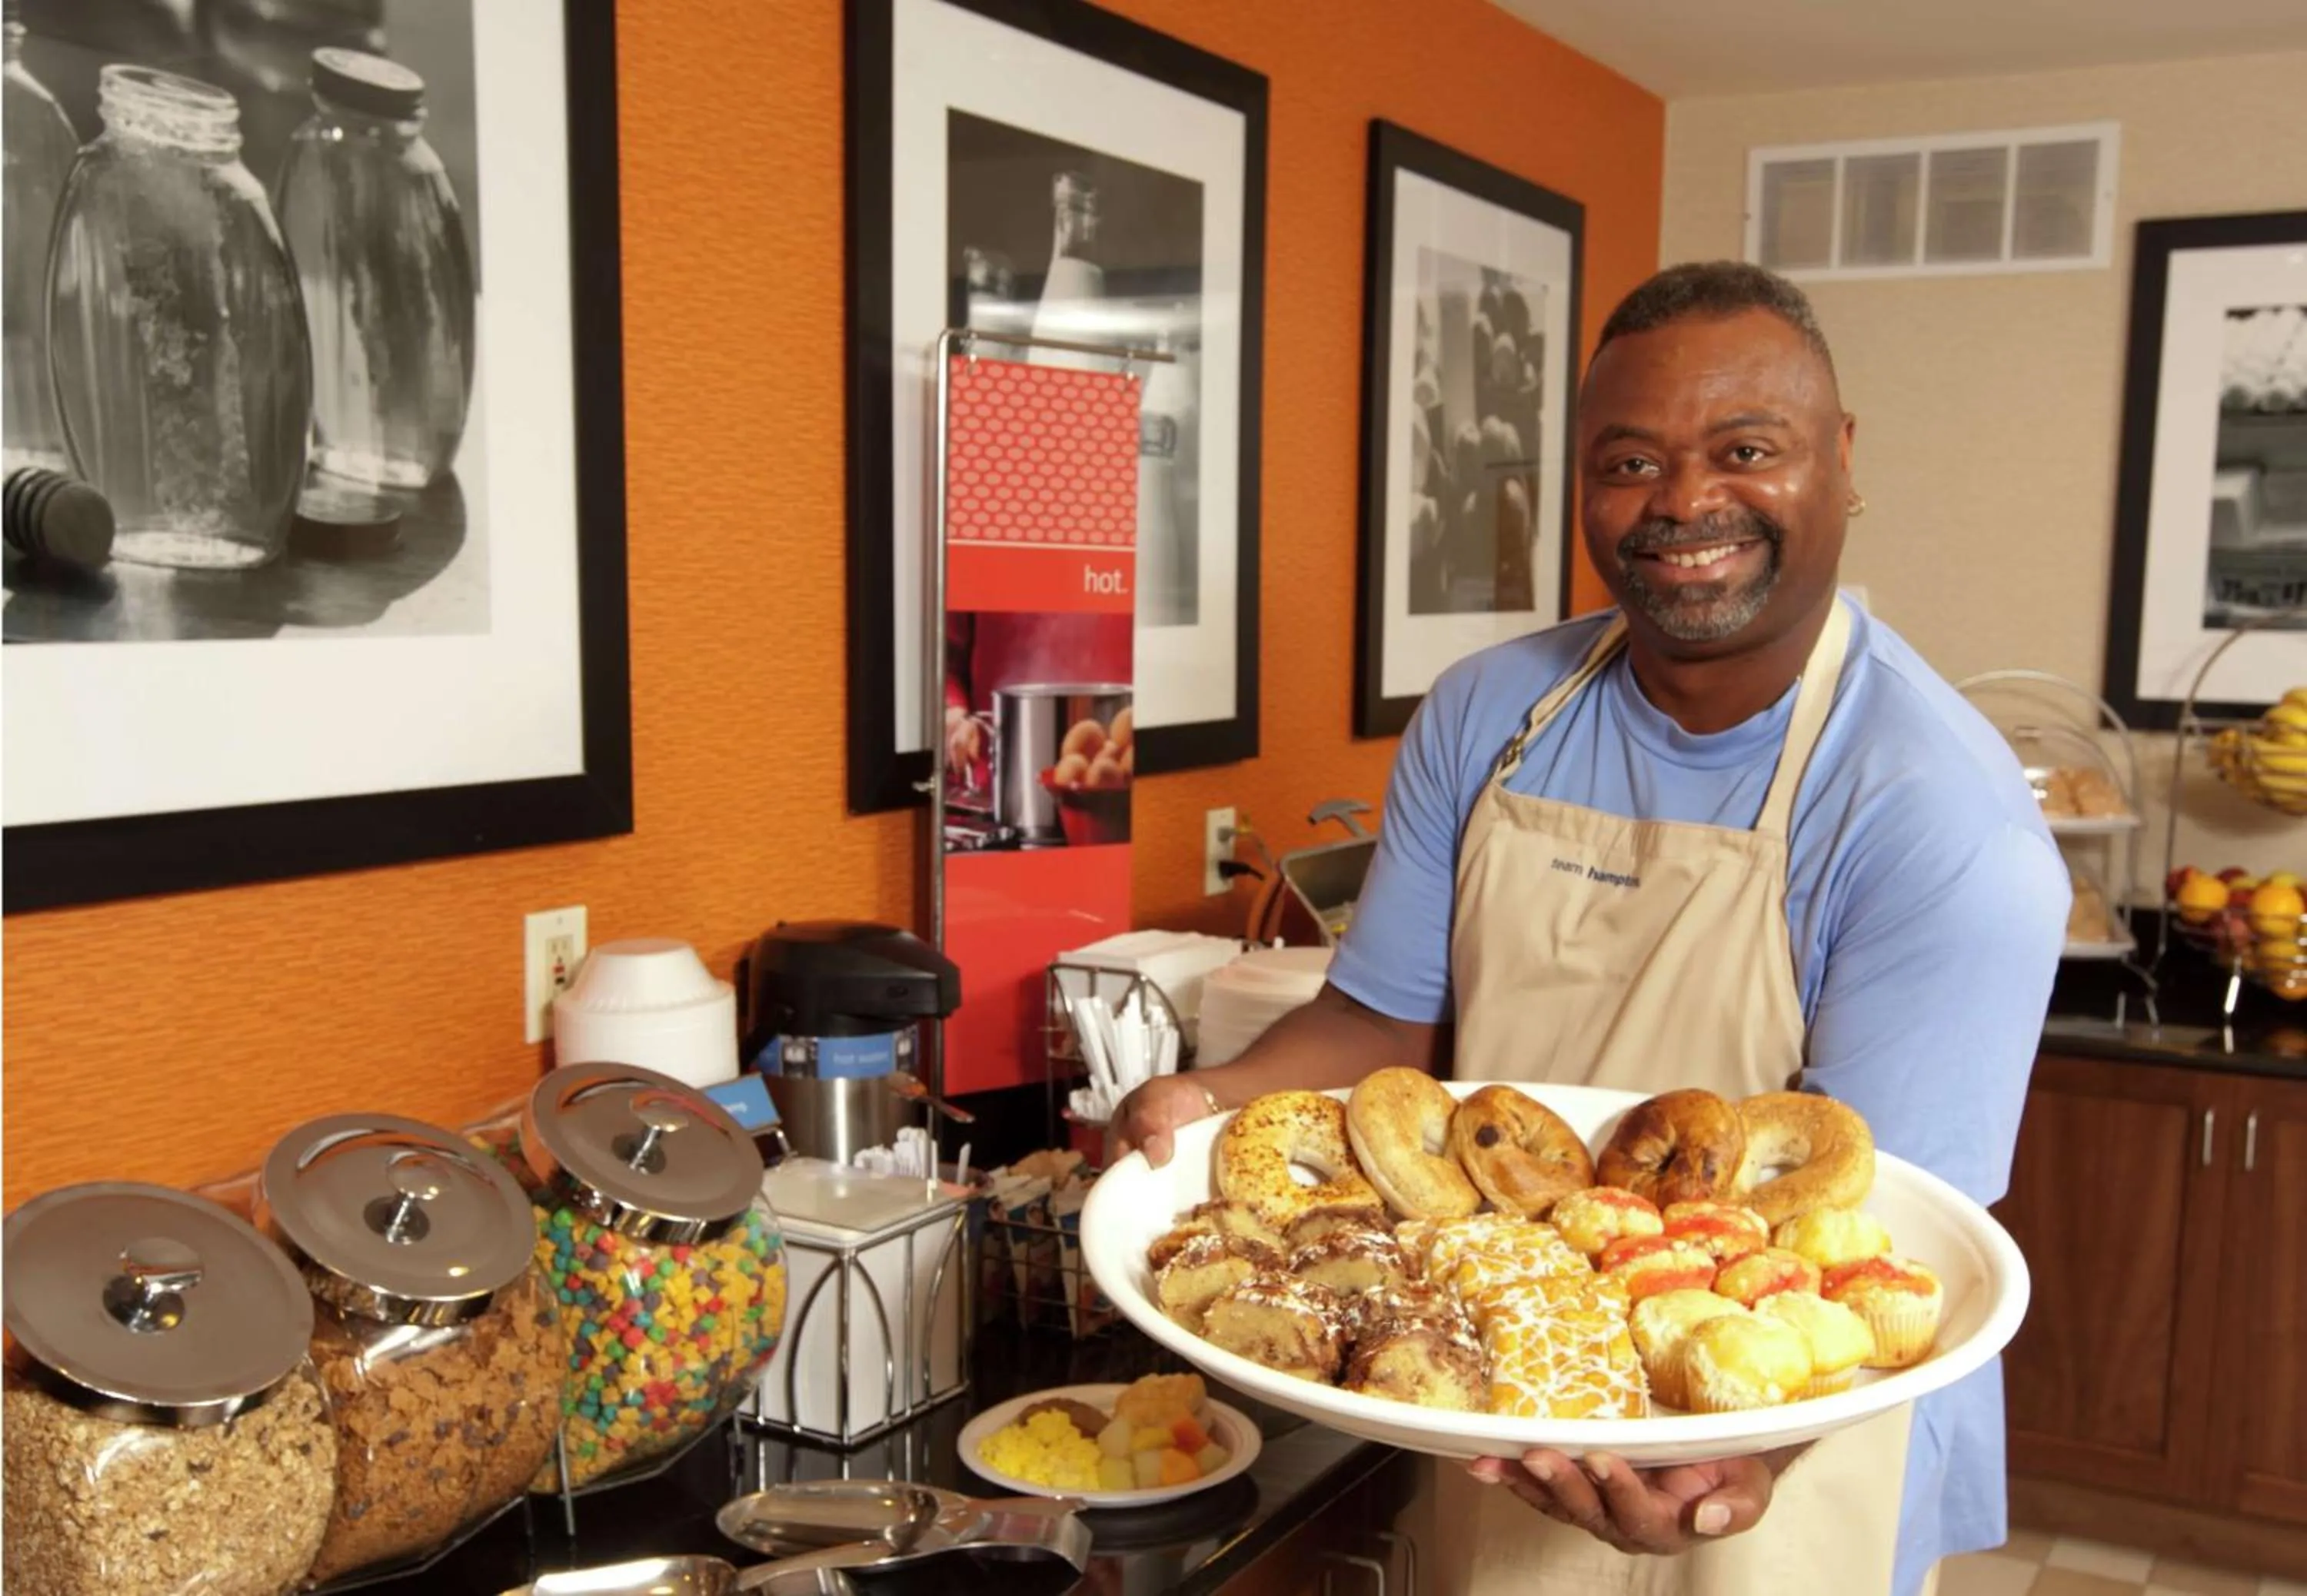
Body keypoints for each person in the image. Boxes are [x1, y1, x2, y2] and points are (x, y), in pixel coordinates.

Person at [1110, 261, 2068, 1596]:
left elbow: (1876, 1231)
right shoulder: (1487, 712)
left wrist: (1752, 1460)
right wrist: (1208, 1102)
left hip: (1782, 1428)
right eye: (1630, 460)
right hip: (1513, 1375)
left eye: (1746, 450)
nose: (1683, 503)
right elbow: (1379, 1025)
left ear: (1841, 461)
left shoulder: (1940, 817)